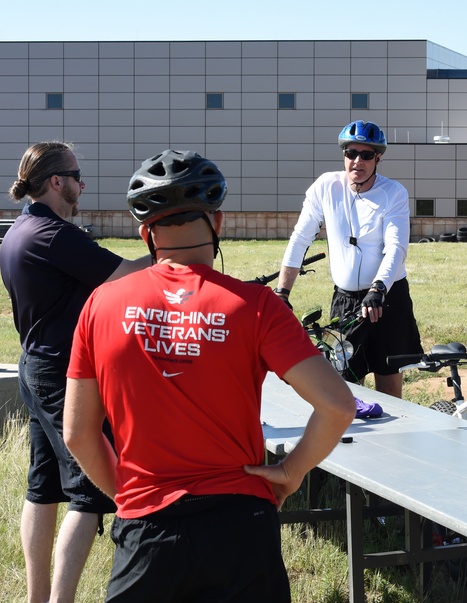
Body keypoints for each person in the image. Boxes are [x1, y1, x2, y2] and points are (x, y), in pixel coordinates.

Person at [63, 149, 356, 602]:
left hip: (148, 532)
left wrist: (129, 497)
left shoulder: (100, 305)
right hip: (241, 526)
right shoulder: (257, 306)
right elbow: (337, 405)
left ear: (146, 234)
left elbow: (79, 435)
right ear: (217, 223)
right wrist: (291, 472)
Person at [0, 141, 149, 603]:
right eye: (76, 175)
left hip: (35, 365)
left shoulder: (21, 230)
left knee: (42, 486)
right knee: (89, 493)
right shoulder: (53, 236)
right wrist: (177, 246)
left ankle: (37, 598)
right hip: (62, 375)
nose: (83, 183)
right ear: (55, 181)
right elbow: (127, 274)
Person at [276, 120, 422, 399]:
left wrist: (378, 288)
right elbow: (300, 238)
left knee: (389, 386)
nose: (357, 161)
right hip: (346, 301)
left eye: (366, 155)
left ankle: (391, 441)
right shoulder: (326, 187)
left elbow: (396, 247)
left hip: (386, 299)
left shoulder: (394, 193)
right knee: (344, 385)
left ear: (378, 158)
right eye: (351, 153)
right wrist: (283, 292)